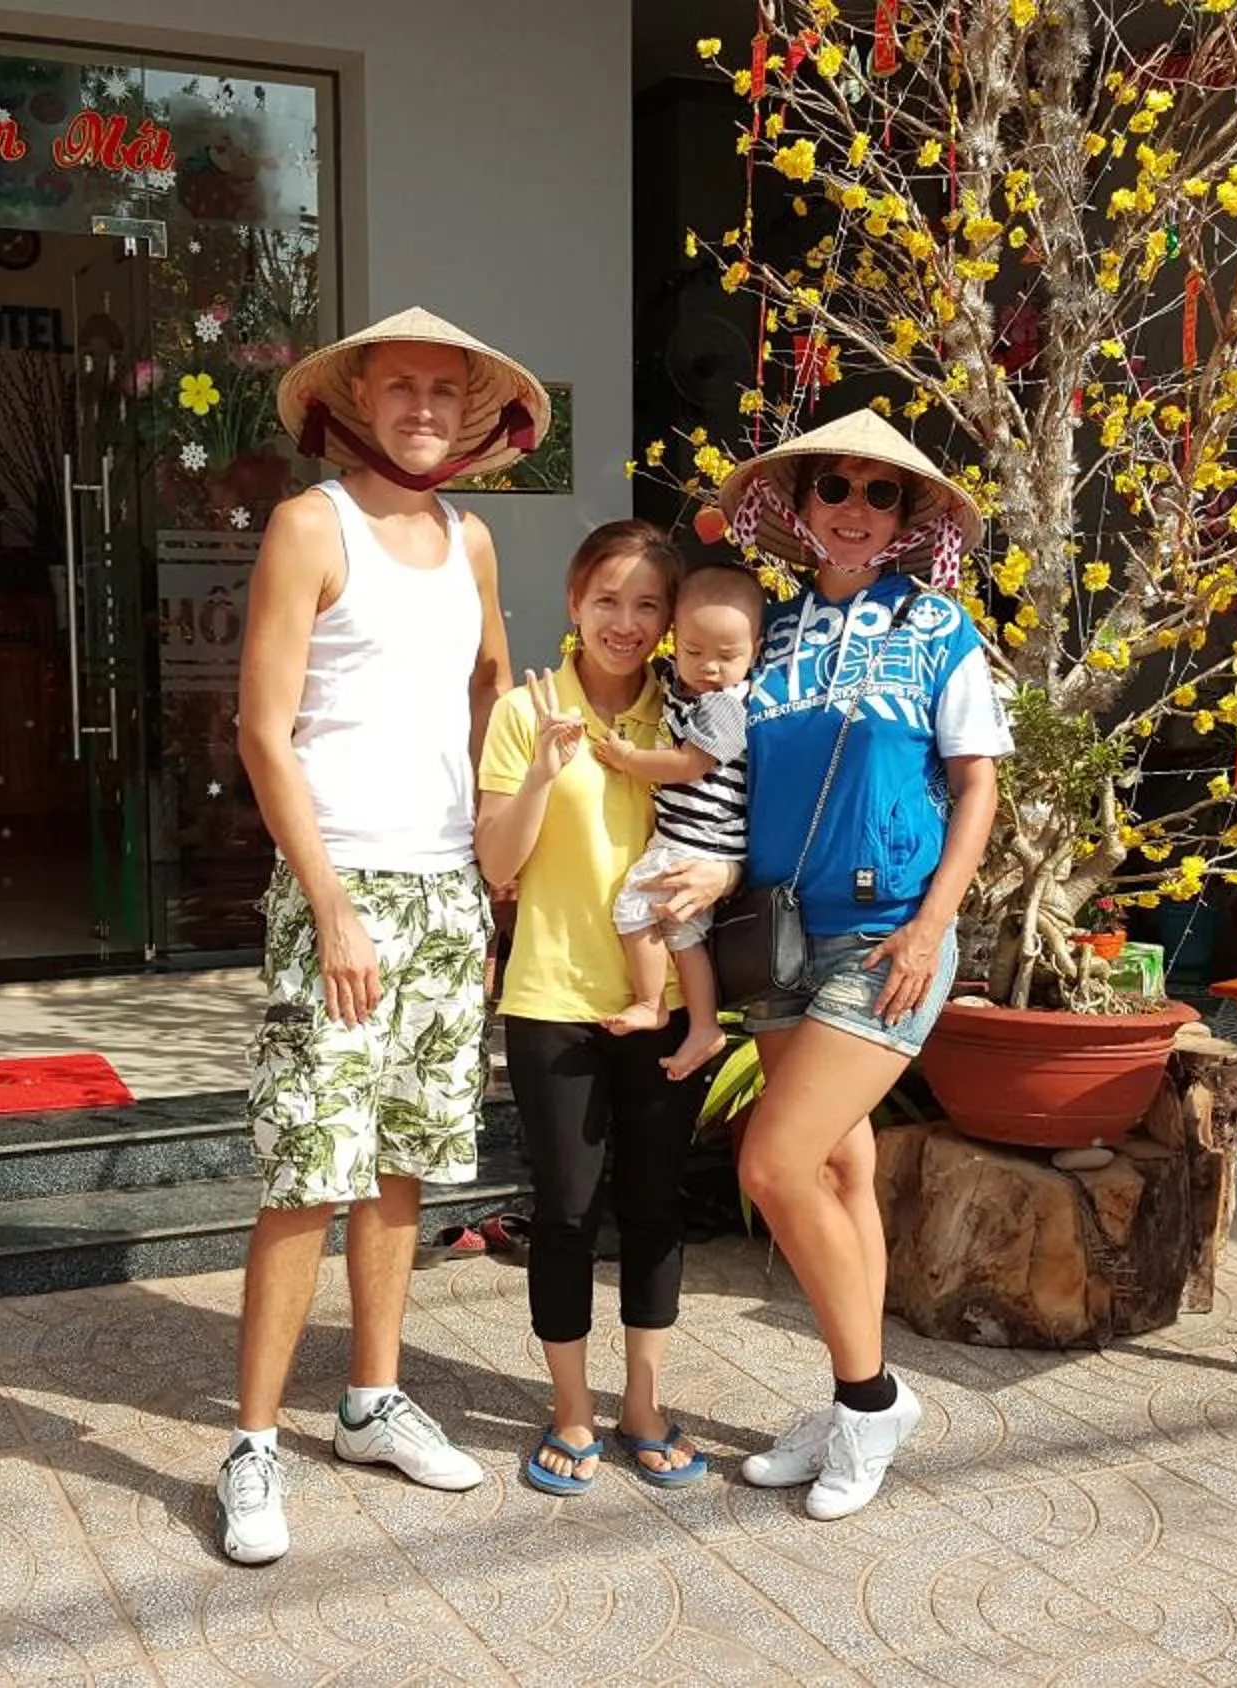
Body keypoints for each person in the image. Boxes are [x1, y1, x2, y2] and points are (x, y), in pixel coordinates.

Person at [221, 307, 548, 1566]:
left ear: (471, 411)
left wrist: (490, 870)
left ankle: (369, 1396)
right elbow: (262, 726)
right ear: (358, 395)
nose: (422, 403)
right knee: (311, 1167)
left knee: (404, 1160)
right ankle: (253, 1443)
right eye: (400, 382)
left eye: (443, 388)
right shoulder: (315, 523)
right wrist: (329, 901)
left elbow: (494, 692)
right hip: (338, 883)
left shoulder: (471, 539)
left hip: (440, 891)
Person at [648, 410, 1004, 1521]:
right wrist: (701, 872)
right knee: (838, 1173)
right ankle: (859, 1406)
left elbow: (978, 784)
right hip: (780, 935)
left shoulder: (938, 626)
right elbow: (716, 775)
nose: (854, 510)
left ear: (907, 519)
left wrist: (935, 923)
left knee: (773, 1162)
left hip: (888, 932)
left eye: (880, 494)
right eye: (833, 489)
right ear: (797, 511)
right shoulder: (770, 632)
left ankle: (872, 1394)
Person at [474, 521, 713, 1495]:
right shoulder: (526, 710)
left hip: (659, 1002)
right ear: (574, 602)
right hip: (551, 998)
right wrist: (542, 766)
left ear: (670, 619)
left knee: (656, 1207)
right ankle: (571, 1408)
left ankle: (644, 1406)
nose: (626, 620)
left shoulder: (691, 717)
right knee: (567, 1209)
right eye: (606, 598)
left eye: (647, 603)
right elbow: (499, 863)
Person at [590, 564, 766, 1082]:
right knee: (682, 930)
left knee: (632, 906)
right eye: (693, 652)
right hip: (697, 840)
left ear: (755, 648)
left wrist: (627, 758)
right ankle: (705, 1024)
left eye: (728, 656)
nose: (709, 667)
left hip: (696, 840)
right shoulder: (684, 686)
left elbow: (689, 764)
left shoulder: (725, 707)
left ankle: (651, 1003)